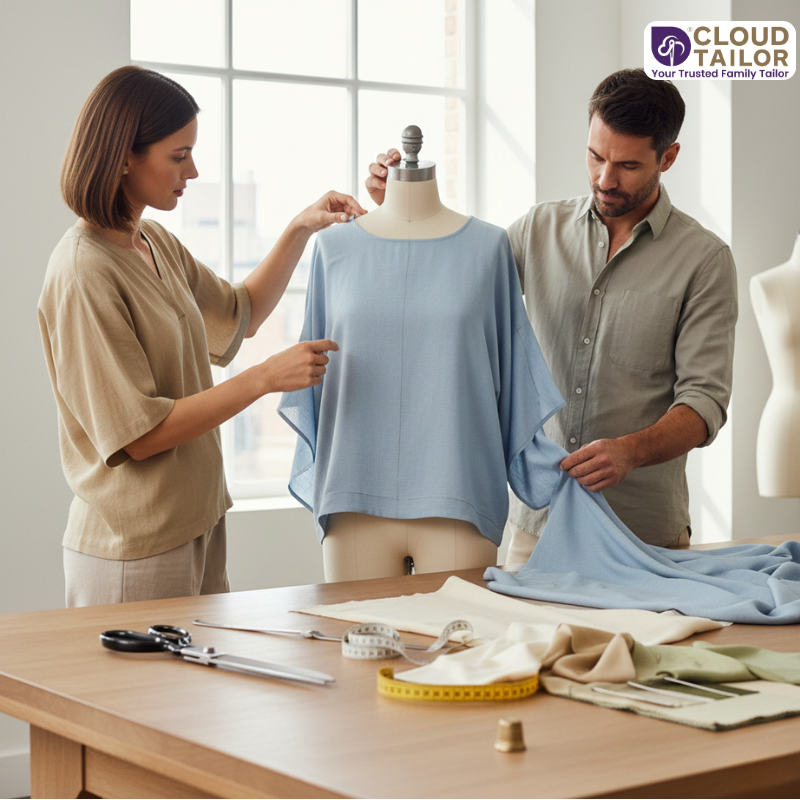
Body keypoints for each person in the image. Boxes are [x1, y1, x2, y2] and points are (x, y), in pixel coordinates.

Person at [365, 69, 737, 563]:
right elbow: (449, 291)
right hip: (535, 530)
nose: (605, 179)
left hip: (646, 538)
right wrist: (397, 210)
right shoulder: (536, 229)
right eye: (595, 156)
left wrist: (630, 451)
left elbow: (704, 403)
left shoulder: (704, 260)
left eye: (627, 165)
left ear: (667, 157)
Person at [38, 66, 365, 606]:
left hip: (198, 524)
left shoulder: (153, 242)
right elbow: (138, 435)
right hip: (133, 546)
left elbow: (242, 315)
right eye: (178, 155)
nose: (192, 170)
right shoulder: (83, 271)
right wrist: (263, 379)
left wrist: (301, 227)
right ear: (124, 156)